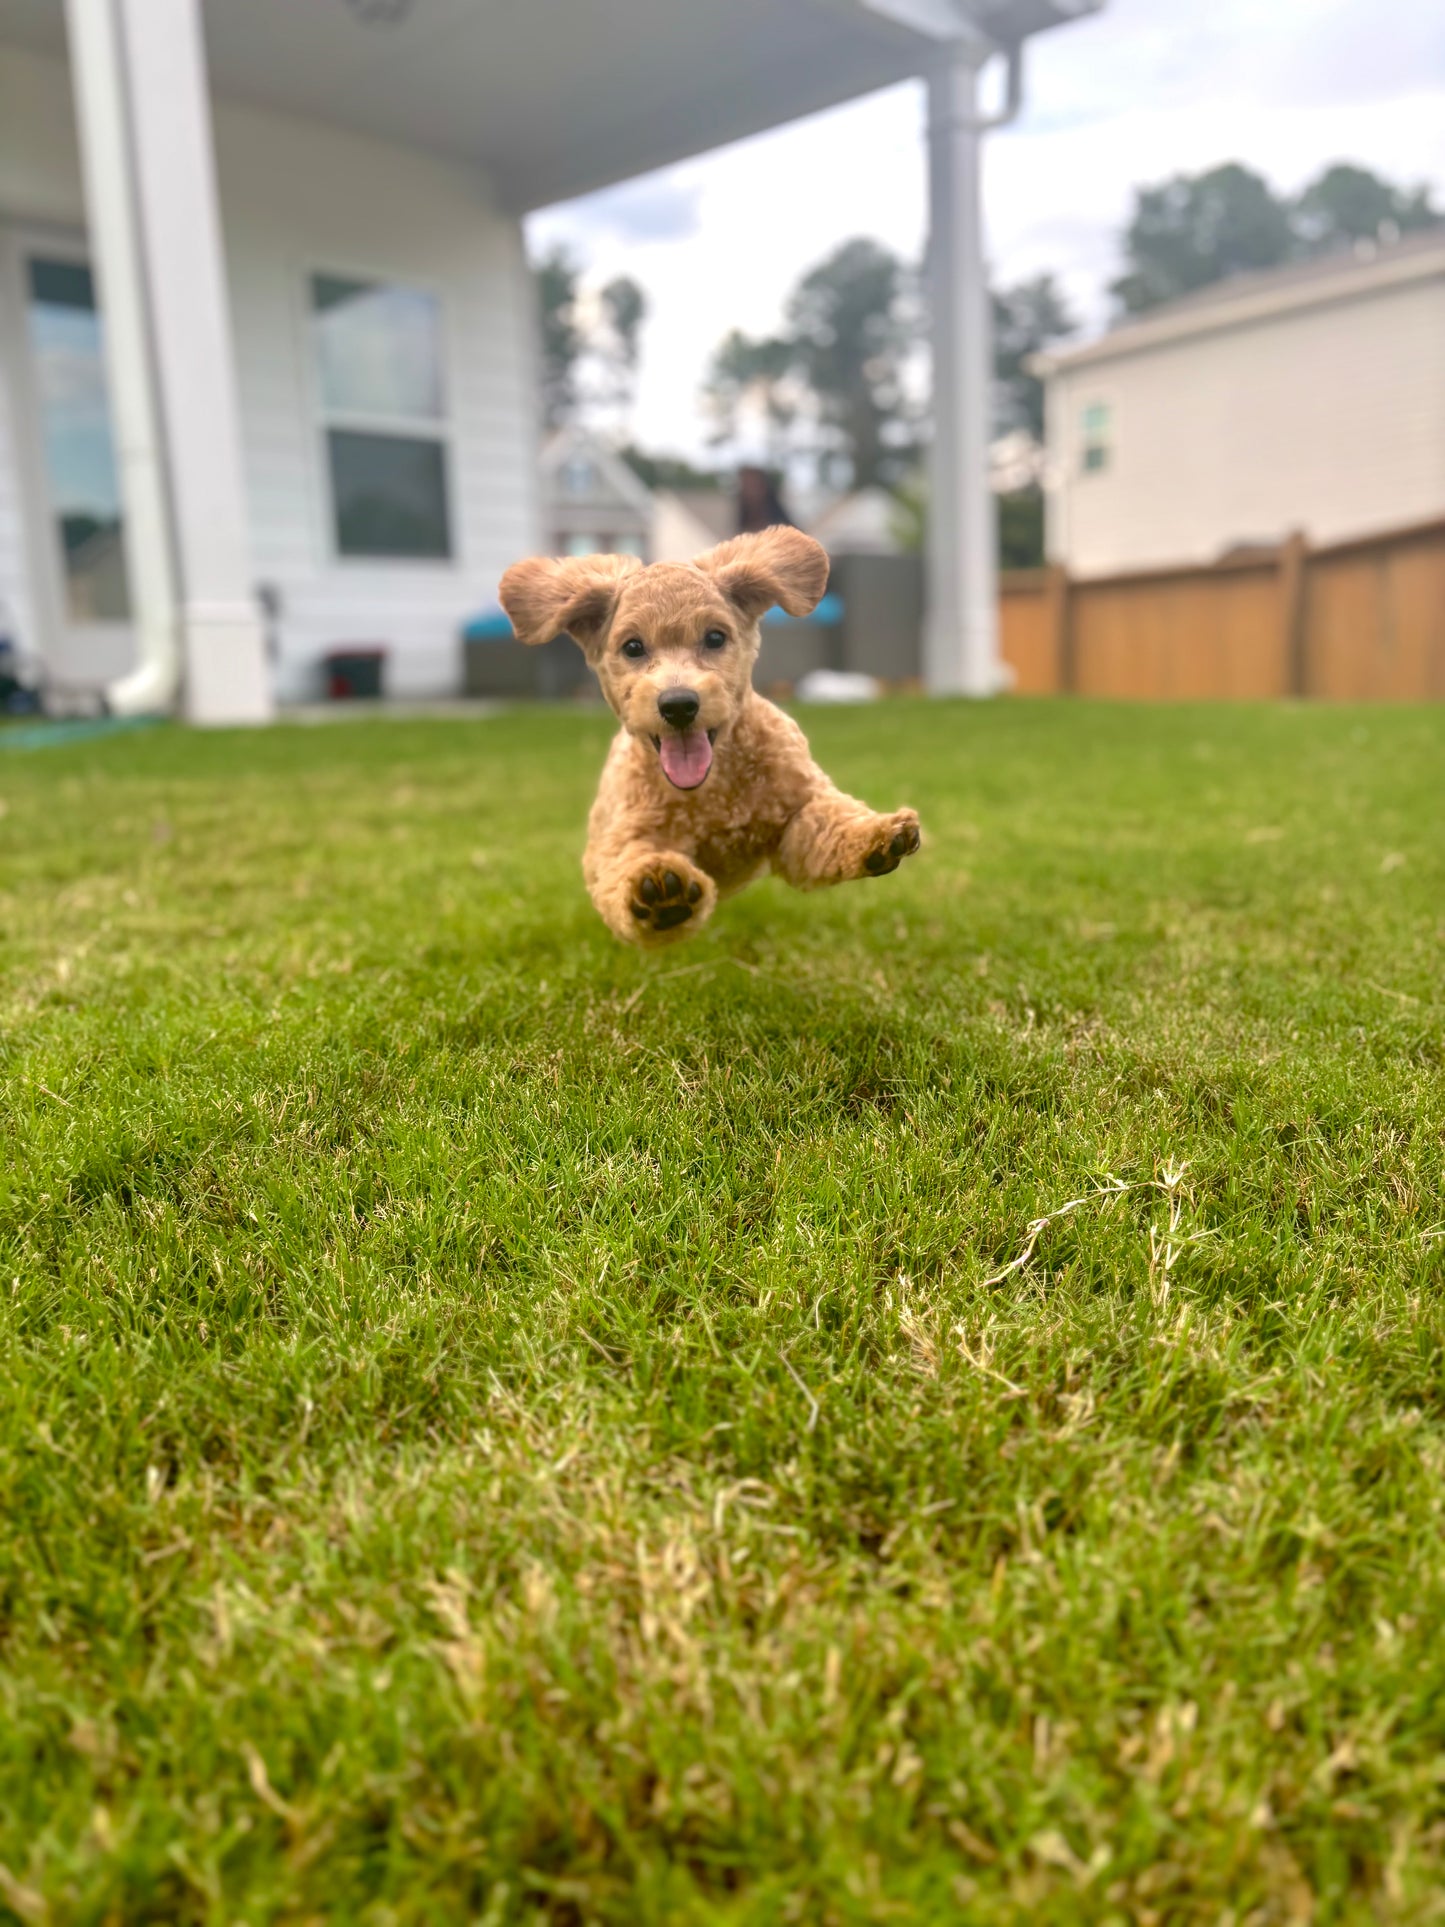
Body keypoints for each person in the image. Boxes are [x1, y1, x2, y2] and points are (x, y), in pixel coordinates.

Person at [736, 464, 793, 534]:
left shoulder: (782, 526)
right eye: (745, 485)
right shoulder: (735, 516)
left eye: (754, 485)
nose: (749, 491)